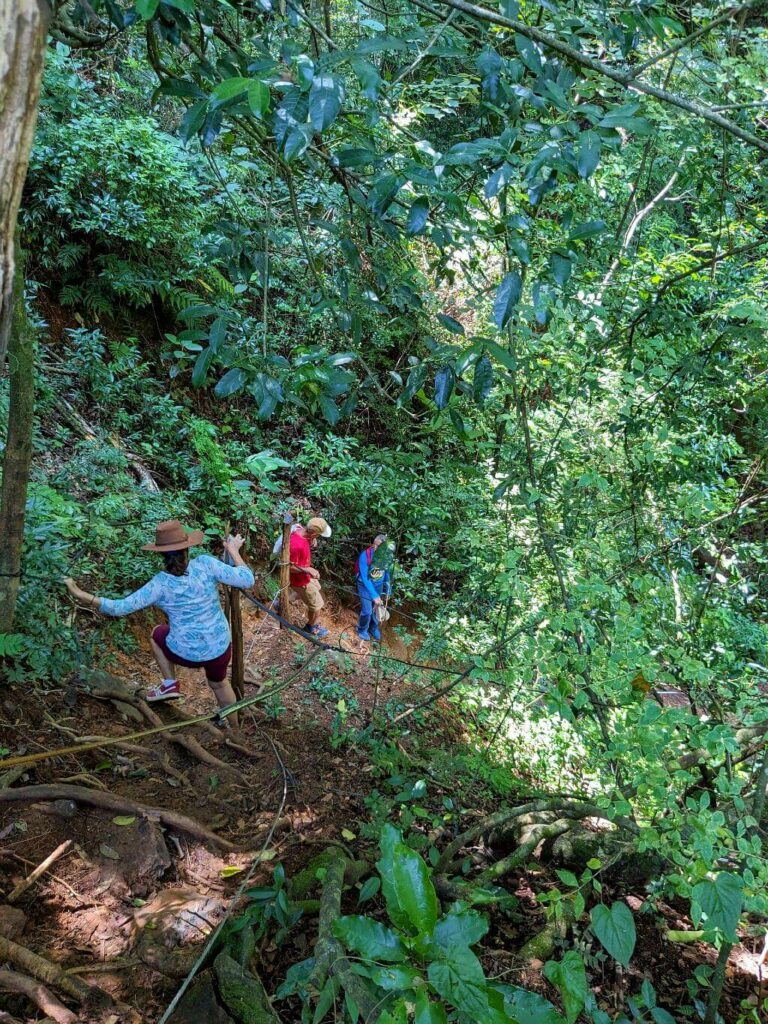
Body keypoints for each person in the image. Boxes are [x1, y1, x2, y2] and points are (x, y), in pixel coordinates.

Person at [63, 520, 254, 720]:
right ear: (187, 548)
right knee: (219, 684)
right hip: (219, 647)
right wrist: (233, 550)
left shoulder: (159, 584)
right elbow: (247, 579)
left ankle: (170, 684)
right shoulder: (206, 564)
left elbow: (120, 607)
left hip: (185, 652)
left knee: (157, 633)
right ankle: (235, 730)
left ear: (161, 554)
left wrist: (81, 594)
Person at [288, 516, 331, 638]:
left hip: (305, 575)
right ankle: (310, 627)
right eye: (318, 535)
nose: (318, 537)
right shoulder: (296, 545)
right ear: (312, 532)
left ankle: (282, 602)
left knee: (317, 586)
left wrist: (311, 540)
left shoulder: (301, 531)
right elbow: (288, 567)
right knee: (317, 605)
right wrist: (308, 569)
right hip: (300, 580)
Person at [356, 534, 392, 642]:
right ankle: (362, 629)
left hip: (379, 585)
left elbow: (387, 574)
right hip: (365, 586)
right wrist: (374, 595)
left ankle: (373, 628)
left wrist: (388, 590)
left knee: (377, 608)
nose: (376, 548)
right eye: (375, 545)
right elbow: (365, 578)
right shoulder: (365, 556)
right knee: (367, 611)